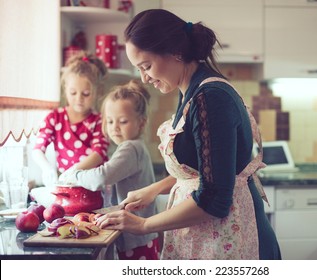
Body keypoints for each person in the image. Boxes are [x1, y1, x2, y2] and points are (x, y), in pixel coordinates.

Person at [96, 9, 281, 260]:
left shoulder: (210, 98)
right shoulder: (191, 91)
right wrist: (154, 189)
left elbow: (214, 199)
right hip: (212, 239)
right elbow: (206, 167)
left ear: (176, 53)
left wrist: (142, 225)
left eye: (147, 66)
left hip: (232, 242)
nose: (144, 78)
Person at [59, 80, 159, 260]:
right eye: (110, 121)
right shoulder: (134, 147)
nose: (115, 127)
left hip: (136, 237)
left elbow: (102, 176)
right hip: (138, 236)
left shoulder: (130, 148)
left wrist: (74, 175)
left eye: (123, 121)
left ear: (141, 123)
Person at [32, 52, 109, 188]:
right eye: (73, 93)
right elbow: (38, 149)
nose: (79, 99)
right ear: (65, 89)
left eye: (86, 94)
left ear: (98, 91)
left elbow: (98, 154)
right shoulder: (55, 117)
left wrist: (74, 171)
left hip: (93, 184)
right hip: (66, 183)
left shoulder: (99, 121)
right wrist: (47, 168)